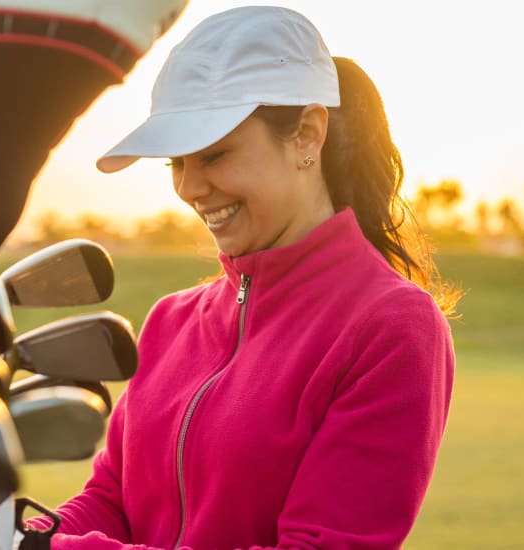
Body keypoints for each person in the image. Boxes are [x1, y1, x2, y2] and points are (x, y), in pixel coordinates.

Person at [25, 5, 458, 549]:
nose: (189, 188)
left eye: (214, 155)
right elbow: (110, 498)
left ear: (306, 134)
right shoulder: (170, 321)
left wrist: (47, 549)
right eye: (176, 164)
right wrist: (13, 533)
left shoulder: (391, 327)